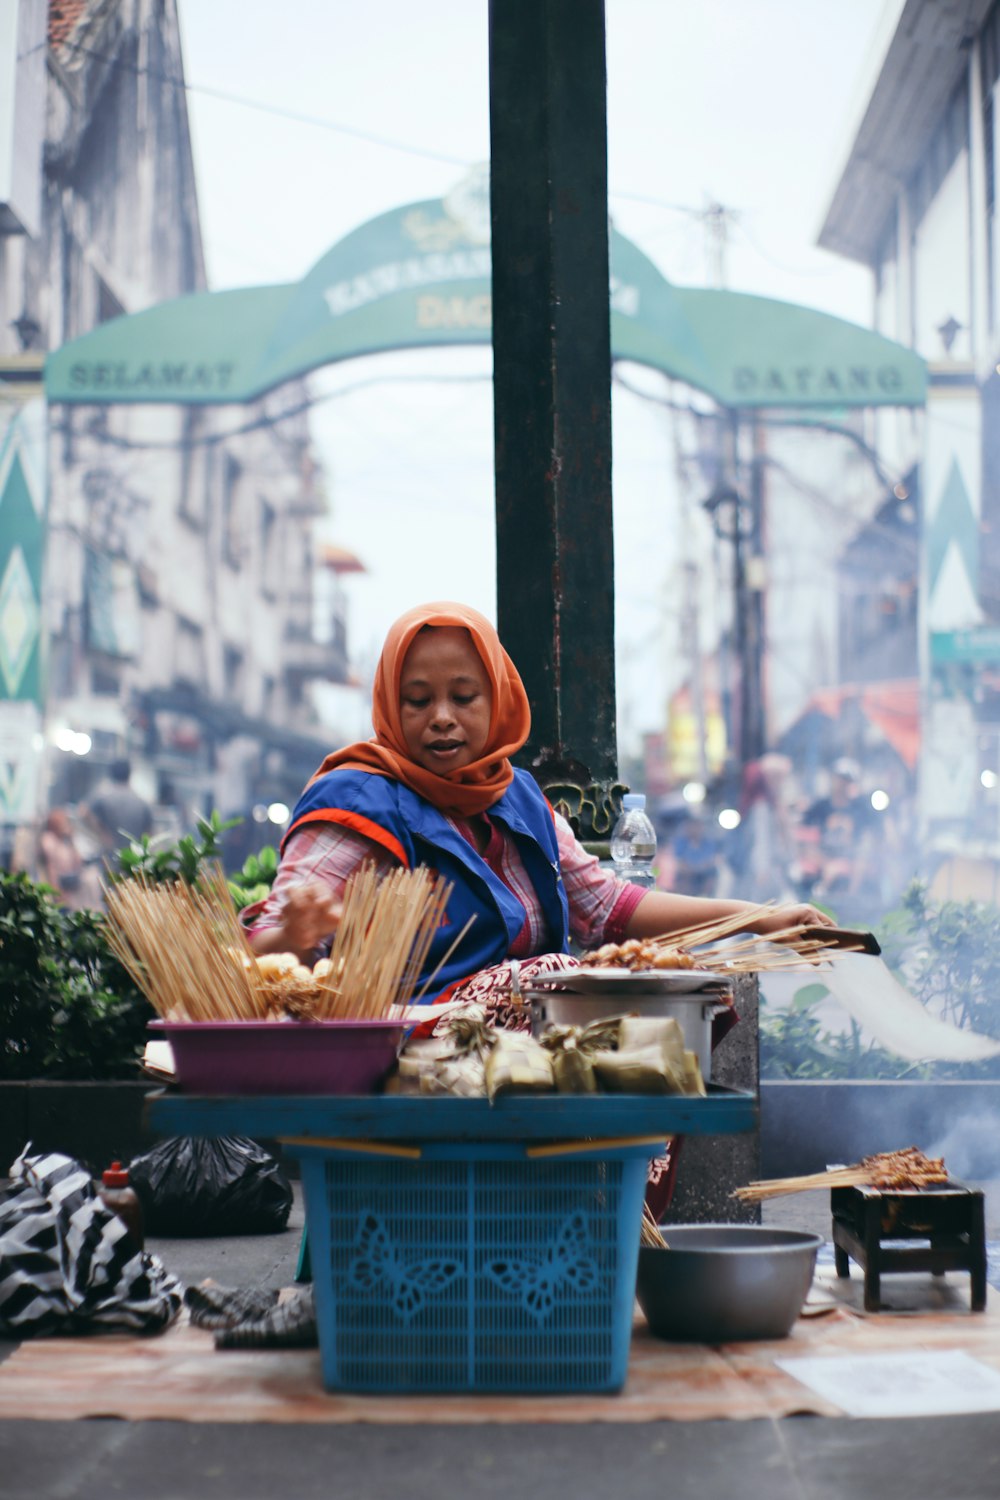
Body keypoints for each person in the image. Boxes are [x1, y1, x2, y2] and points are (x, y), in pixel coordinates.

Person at [247, 601, 833, 997]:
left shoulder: (518, 796)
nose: (442, 719)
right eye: (418, 700)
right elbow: (264, 953)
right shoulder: (356, 802)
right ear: (389, 708)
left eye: (465, 696)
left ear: (497, 699)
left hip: (527, 1071)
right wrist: (292, 937)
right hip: (405, 1083)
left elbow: (604, 908)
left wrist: (761, 920)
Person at [84, 758, 154, 865]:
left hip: (110, 855)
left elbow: (84, 812)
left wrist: (102, 834)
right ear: (129, 775)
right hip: (133, 857)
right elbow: (149, 833)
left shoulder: (104, 797)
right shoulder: (141, 802)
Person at [37, 809, 90, 910]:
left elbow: (79, 862)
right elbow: (50, 869)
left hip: (71, 890)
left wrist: (71, 838)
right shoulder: (48, 840)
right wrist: (57, 893)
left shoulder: (65, 840)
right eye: (61, 821)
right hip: (57, 891)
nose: (64, 824)